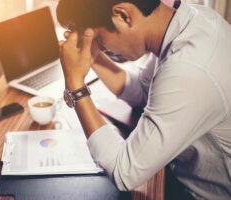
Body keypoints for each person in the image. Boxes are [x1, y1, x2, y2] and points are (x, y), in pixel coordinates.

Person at [56, 0, 231, 199]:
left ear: (123, 16)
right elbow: (142, 90)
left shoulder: (189, 68)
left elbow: (124, 172)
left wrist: (75, 84)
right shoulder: (192, 19)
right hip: (179, 169)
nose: (102, 47)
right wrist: (94, 57)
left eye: (99, 40)